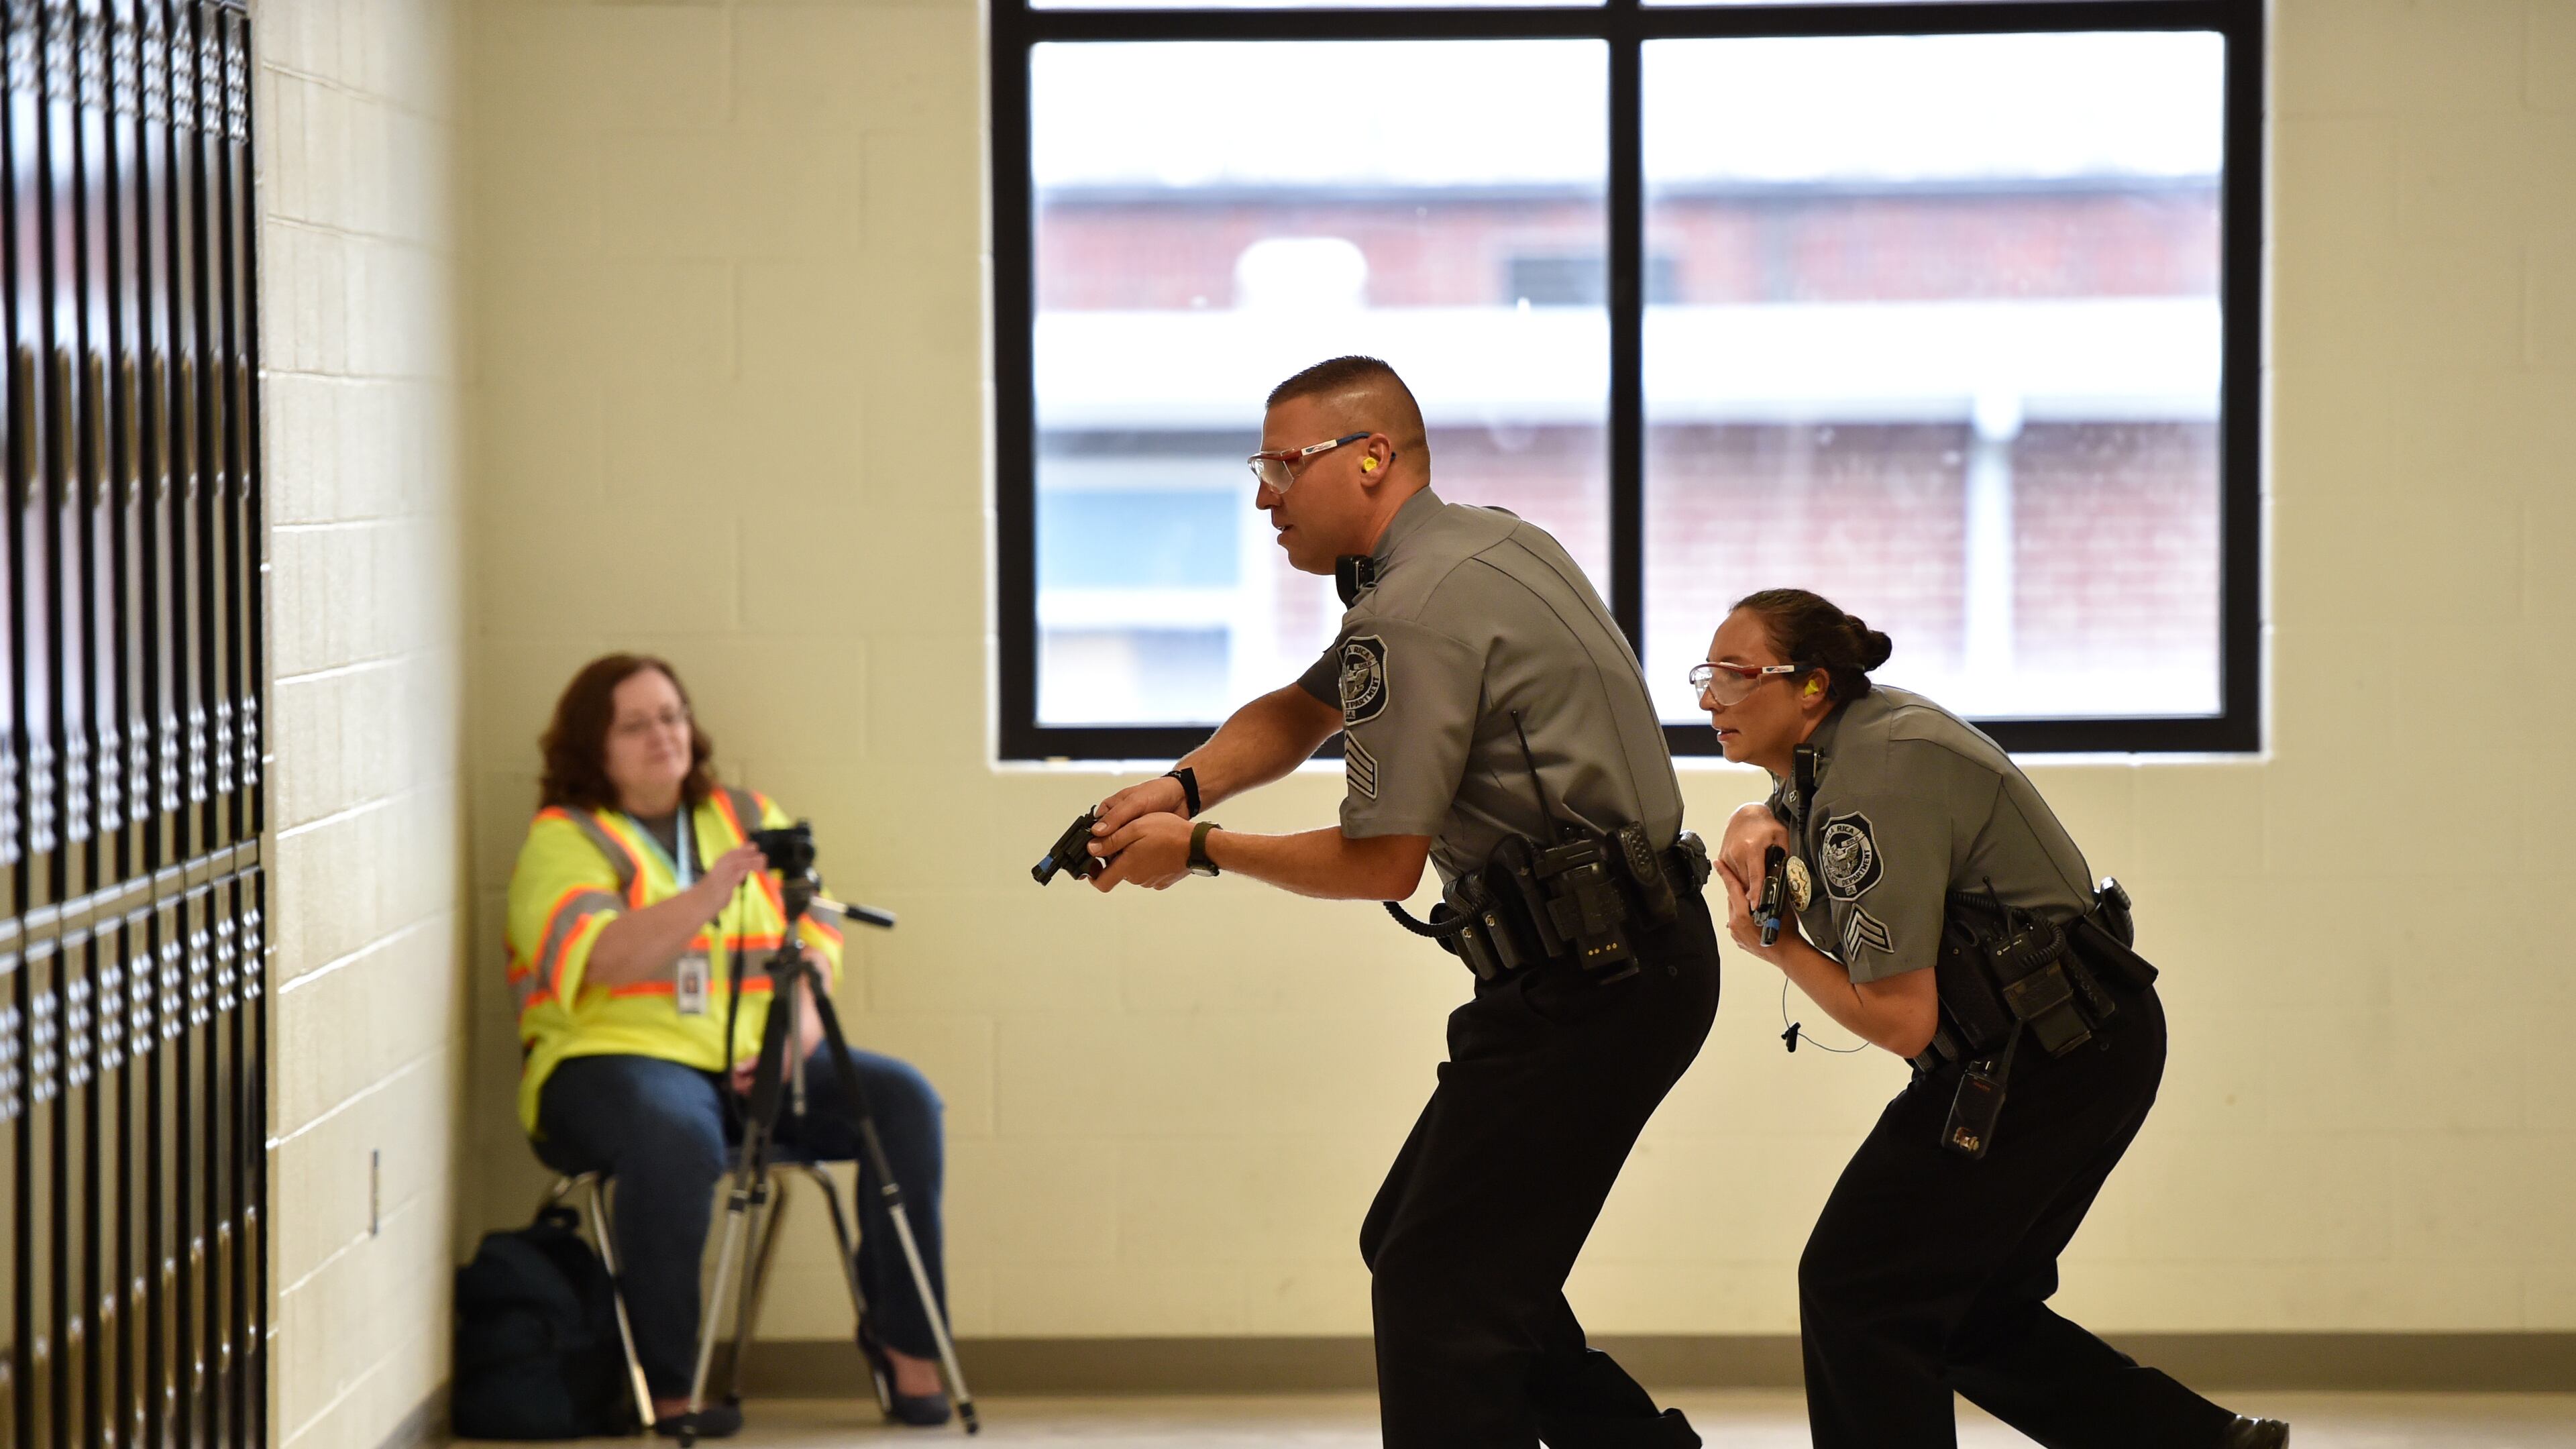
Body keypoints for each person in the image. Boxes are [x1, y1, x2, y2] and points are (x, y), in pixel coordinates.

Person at [1082, 356, 1718, 1449]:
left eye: (1284, 465)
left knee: (1439, 1290)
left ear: (1372, 457)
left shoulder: (1412, 609)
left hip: (1598, 976)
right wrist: (1178, 785)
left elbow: (1382, 861)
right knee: (1439, 1261)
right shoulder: (1486, 547)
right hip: (1614, 962)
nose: (1263, 496)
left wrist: (1200, 850)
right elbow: (1300, 709)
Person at [1701, 588, 2290, 1449]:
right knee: (1970, 1310)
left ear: (1812, 687)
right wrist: (1753, 816)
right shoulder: (1851, 745)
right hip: (2077, 1039)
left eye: (1734, 674)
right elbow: (1789, 813)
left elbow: (1902, 1018)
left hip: (2050, 1052)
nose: (1709, 697)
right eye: (1704, 675)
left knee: (1858, 1285)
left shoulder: (1877, 774)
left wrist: (1777, 949)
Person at [505, 653, 954, 1436]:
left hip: (754, 1066)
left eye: (672, 716)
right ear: (593, 746)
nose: (663, 736)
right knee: (675, 1131)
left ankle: (905, 1345)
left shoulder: (745, 815)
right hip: (609, 1070)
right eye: (635, 725)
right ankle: (670, 1384)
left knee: (902, 1101)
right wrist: (708, 894)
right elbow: (602, 956)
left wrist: (790, 1048)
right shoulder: (565, 838)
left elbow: (815, 951)